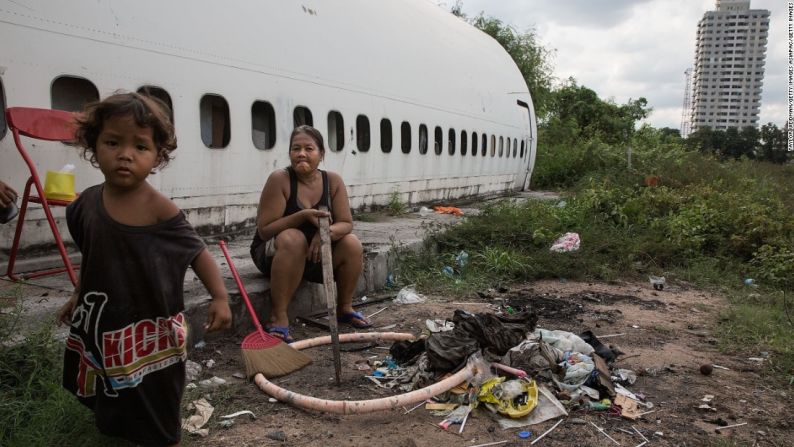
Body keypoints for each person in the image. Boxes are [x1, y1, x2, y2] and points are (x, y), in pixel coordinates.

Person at [56, 92, 232, 446]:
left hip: (150, 332)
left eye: (140, 147)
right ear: (94, 146)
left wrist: (220, 296)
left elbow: (196, 251)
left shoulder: (158, 208)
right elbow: (91, 253)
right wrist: (78, 294)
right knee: (108, 391)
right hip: (105, 324)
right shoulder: (86, 204)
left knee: (156, 402)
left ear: (157, 157)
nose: (125, 154)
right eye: (112, 142)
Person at [250, 125, 369, 343]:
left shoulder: (332, 181)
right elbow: (265, 229)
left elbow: (346, 223)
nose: (301, 154)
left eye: (309, 148)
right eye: (296, 149)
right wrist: (303, 215)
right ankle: (279, 317)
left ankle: (345, 308)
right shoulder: (280, 179)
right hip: (274, 252)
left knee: (351, 244)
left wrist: (325, 235)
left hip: (312, 253)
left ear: (321, 154)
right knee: (293, 237)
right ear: (290, 154)